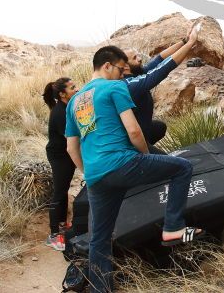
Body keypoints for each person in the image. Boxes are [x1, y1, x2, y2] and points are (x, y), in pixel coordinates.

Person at [65, 44, 202, 293]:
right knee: (182, 168)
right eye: (120, 68)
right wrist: (146, 157)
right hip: (122, 162)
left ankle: (100, 289)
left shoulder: (75, 100)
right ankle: (173, 228)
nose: (123, 73)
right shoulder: (114, 87)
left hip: (96, 177)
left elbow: (71, 148)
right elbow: (134, 130)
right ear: (106, 65)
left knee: (99, 239)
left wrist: (88, 172)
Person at [123, 24, 200, 153]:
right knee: (178, 167)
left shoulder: (137, 73)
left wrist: (184, 41)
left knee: (159, 127)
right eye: (135, 58)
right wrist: (191, 43)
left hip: (142, 130)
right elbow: (164, 67)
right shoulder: (130, 85)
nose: (140, 59)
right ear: (125, 66)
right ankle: (141, 155)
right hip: (132, 141)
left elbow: (160, 59)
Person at [42, 76, 79, 251]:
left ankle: (63, 225)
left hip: (66, 153)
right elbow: (70, 138)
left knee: (64, 190)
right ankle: (54, 235)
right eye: (72, 88)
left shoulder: (67, 107)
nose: (76, 89)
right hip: (59, 156)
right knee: (59, 192)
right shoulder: (60, 112)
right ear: (63, 94)